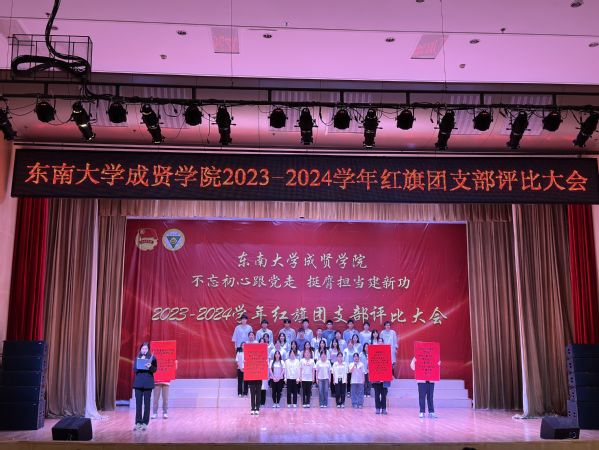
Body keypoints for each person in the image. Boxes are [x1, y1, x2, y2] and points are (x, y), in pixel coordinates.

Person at [133, 342, 157, 431]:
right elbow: (135, 370)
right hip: (138, 384)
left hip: (148, 384)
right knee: (138, 404)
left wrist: (150, 366)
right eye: (143, 348)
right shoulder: (137, 358)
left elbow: (155, 370)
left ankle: (145, 423)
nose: (144, 350)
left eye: (146, 349)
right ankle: (138, 422)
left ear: (148, 350)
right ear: (140, 349)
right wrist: (140, 363)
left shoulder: (152, 358)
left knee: (147, 404)